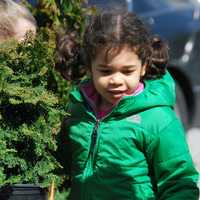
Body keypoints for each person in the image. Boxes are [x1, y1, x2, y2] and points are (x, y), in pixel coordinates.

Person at [55, 11, 199, 199]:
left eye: (127, 71)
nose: (116, 80)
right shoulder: (78, 110)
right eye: (106, 71)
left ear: (143, 67)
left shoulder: (158, 119)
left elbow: (179, 182)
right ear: (90, 67)